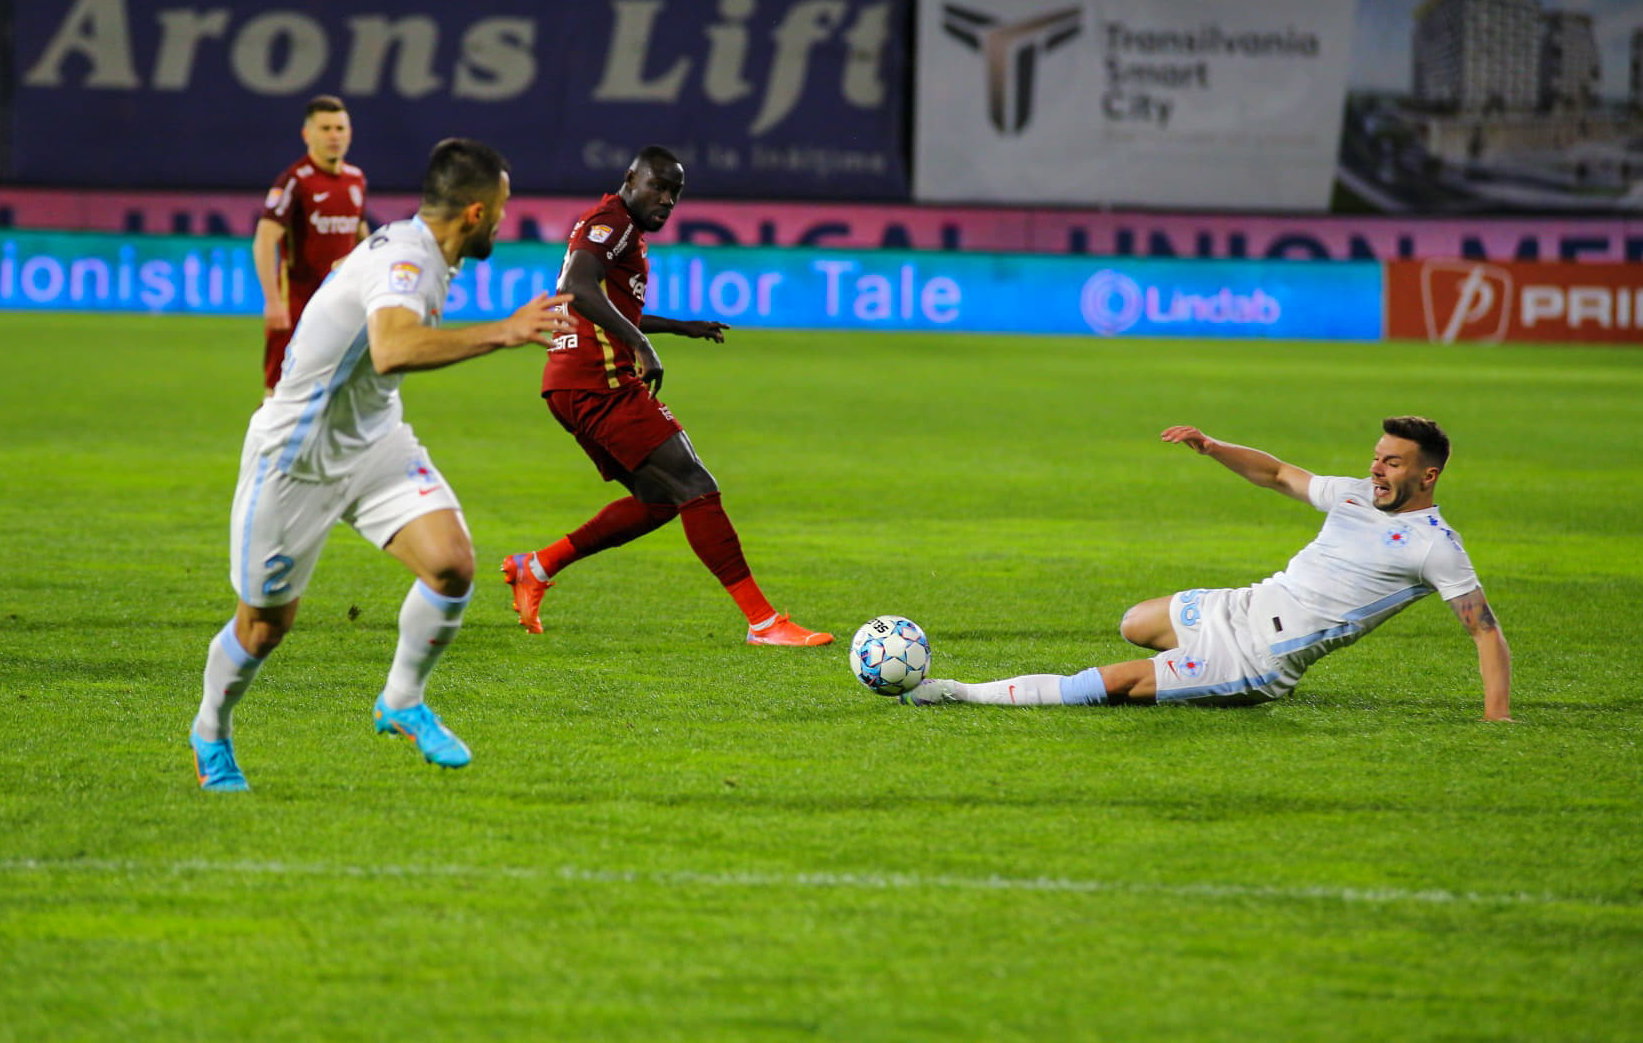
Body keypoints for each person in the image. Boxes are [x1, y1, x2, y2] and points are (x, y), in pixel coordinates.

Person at [190, 138, 569, 789]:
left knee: (451, 566)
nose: (507, 221)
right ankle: (211, 735)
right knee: (263, 627)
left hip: (372, 442)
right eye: (503, 209)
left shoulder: (426, 255)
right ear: (475, 213)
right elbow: (392, 349)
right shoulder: (405, 261)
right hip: (295, 456)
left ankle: (401, 701)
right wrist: (504, 331)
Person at [905, 417, 1512, 720]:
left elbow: (1484, 628)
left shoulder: (1434, 547)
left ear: (1427, 476)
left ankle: (960, 692)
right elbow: (1278, 474)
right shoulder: (1355, 493)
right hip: (1240, 606)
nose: (1377, 470)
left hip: (1257, 659)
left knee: (1113, 683)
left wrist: (1497, 716)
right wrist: (1214, 448)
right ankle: (1178, 667)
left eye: (1393, 464)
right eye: (1377, 458)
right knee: (1135, 622)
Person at [500, 145, 831, 648]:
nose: (667, 199)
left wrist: (679, 327)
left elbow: (605, 299)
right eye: (658, 186)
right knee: (697, 486)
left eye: (675, 192)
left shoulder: (617, 228)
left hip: (574, 382)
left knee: (659, 500)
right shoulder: (611, 223)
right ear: (630, 179)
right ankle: (764, 624)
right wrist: (640, 343)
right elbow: (576, 286)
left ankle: (537, 566)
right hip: (599, 380)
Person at [254, 95, 368, 393]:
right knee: (280, 396)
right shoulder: (294, 181)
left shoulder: (356, 180)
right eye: (326, 128)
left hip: (342, 308)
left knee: (339, 394)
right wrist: (273, 301)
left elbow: (361, 237)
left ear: (350, 133)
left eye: (340, 128)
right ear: (308, 134)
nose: (334, 136)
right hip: (298, 307)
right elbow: (265, 240)